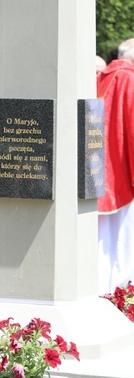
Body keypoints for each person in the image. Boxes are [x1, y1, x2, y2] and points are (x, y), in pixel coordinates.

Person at [98, 38, 134, 294]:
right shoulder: (129, 79)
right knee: (121, 244)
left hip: (98, 173)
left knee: (102, 242)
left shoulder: (100, 77)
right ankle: (120, 293)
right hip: (121, 172)